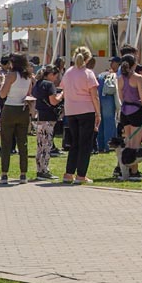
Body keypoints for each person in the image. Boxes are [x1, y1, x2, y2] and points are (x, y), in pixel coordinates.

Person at [60, 47, 101, 184]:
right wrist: (98, 113)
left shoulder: (68, 73)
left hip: (71, 111)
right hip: (86, 110)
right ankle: (81, 175)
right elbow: (94, 96)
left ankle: (68, 173)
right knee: (85, 144)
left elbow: (64, 90)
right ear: (88, 58)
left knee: (74, 143)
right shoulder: (88, 73)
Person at [0, 54, 33, 185]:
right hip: (23, 109)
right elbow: (28, 94)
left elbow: (2, 94)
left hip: (10, 108)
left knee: (6, 142)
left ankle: (4, 174)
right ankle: (23, 174)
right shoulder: (29, 76)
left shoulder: (11, 75)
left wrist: (2, 82)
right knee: (23, 143)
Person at [118, 54, 142, 180]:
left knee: (128, 140)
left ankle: (125, 169)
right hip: (136, 110)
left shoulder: (120, 78)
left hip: (125, 111)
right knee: (136, 142)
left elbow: (120, 96)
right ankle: (134, 170)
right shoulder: (138, 78)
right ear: (134, 64)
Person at [32, 65, 63, 180]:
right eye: (55, 76)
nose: (56, 79)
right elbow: (53, 101)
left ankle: (40, 169)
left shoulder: (38, 84)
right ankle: (44, 170)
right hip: (49, 117)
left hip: (39, 116)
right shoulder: (49, 85)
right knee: (47, 144)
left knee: (40, 144)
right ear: (50, 75)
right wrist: (61, 95)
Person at [96, 56, 120, 154]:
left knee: (101, 121)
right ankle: (109, 145)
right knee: (109, 121)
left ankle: (100, 145)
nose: (111, 64)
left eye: (113, 62)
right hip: (108, 97)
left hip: (100, 97)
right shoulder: (117, 75)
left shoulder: (102, 75)